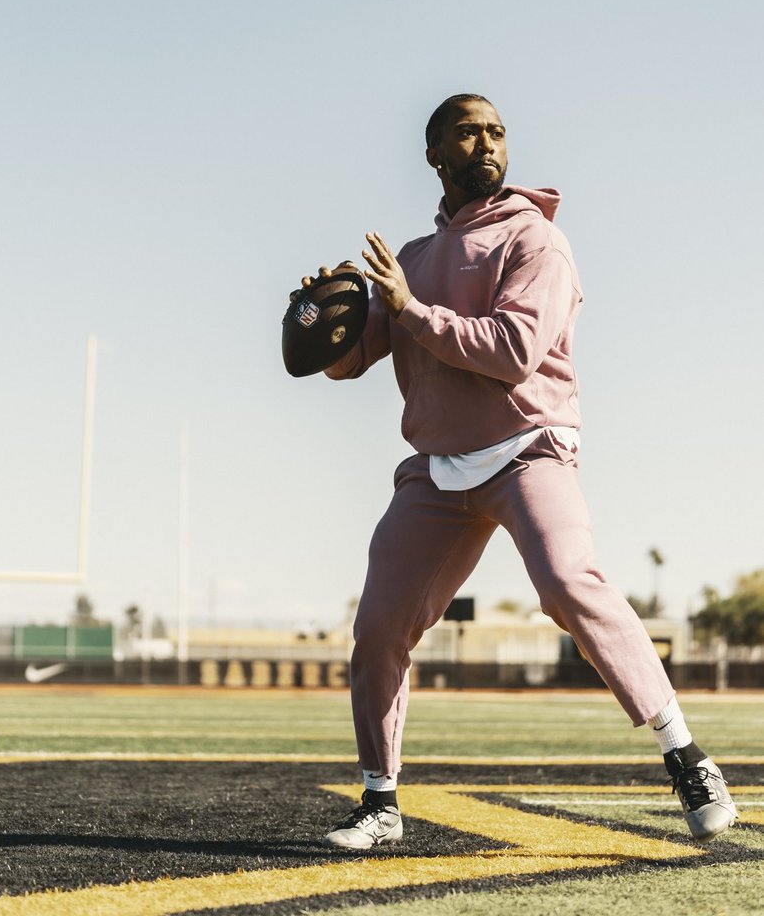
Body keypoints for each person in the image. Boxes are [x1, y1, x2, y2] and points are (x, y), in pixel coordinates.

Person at [300, 93, 735, 851]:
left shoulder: (538, 242)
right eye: (467, 133)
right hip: (439, 469)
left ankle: (686, 754)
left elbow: (510, 353)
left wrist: (410, 308)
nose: (486, 144)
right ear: (434, 153)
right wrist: (323, 314)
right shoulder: (409, 260)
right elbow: (346, 364)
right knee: (378, 626)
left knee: (568, 582)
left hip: (527, 444)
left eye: (496, 132)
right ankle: (380, 800)